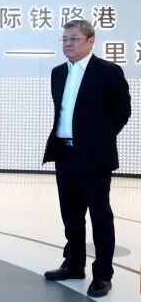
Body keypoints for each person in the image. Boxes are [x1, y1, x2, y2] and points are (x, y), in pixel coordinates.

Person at [42, 20, 131, 298]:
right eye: (65, 39)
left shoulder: (108, 72)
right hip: (64, 153)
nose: (68, 44)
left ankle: (103, 274)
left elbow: (122, 112)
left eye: (74, 39)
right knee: (71, 215)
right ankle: (74, 264)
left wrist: (98, 139)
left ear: (91, 41)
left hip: (95, 156)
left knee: (99, 215)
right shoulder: (58, 73)